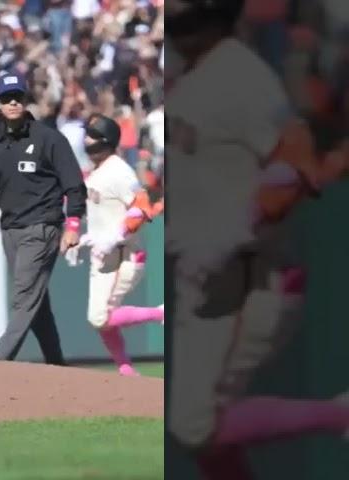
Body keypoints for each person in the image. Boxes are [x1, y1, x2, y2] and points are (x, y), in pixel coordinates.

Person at [165, 1, 349, 479]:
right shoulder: (191, 69)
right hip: (210, 278)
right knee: (205, 433)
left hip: (245, 277)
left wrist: (242, 223)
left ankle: (339, 414)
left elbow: (298, 164)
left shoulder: (240, 76)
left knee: (195, 425)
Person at [0, 69, 87, 365]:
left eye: (17, 97)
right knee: (36, 304)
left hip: (42, 228)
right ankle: (57, 364)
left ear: (25, 100)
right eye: (6, 98)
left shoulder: (49, 139)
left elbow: (74, 185)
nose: (13, 103)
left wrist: (73, 224)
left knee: (23, 299)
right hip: (10, 230)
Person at [64, 114, 164, 376]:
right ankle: (126, 369)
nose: (85, 139)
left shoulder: (119, 171)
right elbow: (102, 215)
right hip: (103, 256)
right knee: (100, 320)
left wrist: (115, 236)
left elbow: (141, 209)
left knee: (100, 317)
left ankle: (160, 313)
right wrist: (87, 239)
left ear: (104, 141)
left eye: (91, 135)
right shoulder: (97, 171)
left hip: (124, 255)